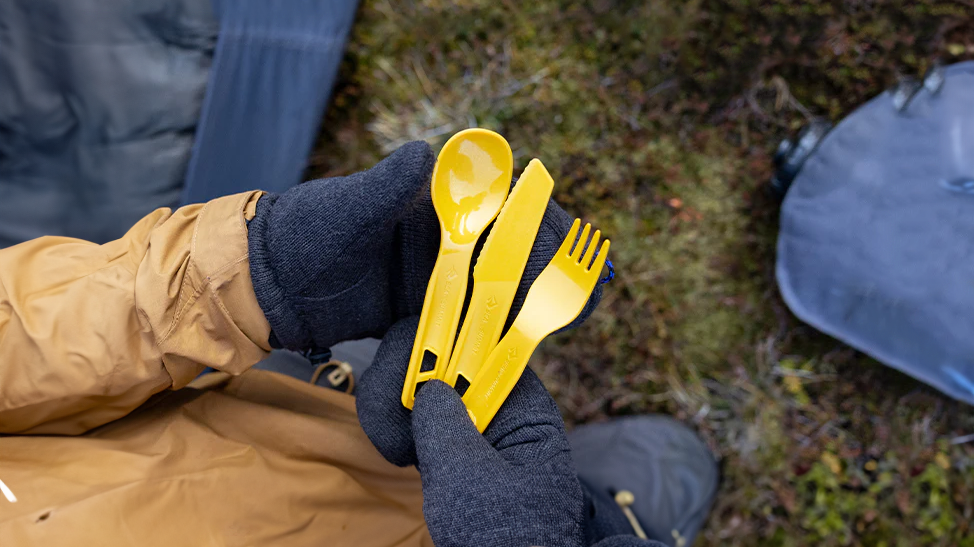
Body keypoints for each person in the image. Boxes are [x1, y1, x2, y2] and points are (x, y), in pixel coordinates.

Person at [0, 142, 717, 546]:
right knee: (538, 493)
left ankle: (551, 496)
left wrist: (252, 273)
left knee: (409, 426)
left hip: (269, 449)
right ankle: (601, 524)